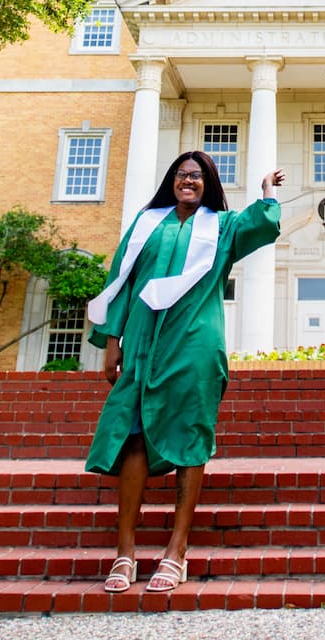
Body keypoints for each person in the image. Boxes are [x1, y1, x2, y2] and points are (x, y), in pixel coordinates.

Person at [85, 151, 285, 594]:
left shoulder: (223, 227)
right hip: (142, 342)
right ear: (171, 181)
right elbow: (121, 282)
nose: (188, 181)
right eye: (181, 175)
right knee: (133, 435)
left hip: (194, 342)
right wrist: (112, 341)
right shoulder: (146, 225)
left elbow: (264, 224)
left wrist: (267, 194)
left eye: (196, 176)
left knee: (191, 440)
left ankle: (176, 551)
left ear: (209, 183)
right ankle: (125, 552)